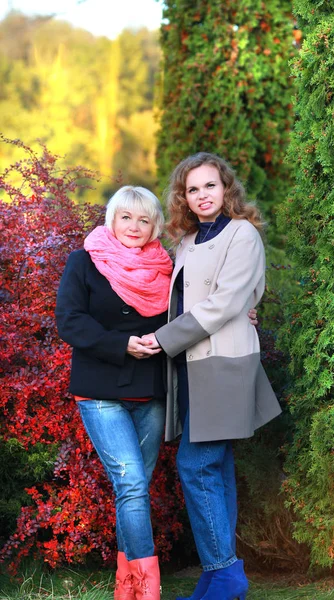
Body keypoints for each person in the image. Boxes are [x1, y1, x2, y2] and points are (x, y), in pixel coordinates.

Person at [142, 152, 282, 600]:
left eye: (210, 186)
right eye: (193, 189)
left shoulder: (242, 234)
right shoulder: (188, 239)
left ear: (227, 189)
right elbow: (185, 298)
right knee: (215, 467)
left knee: (196, 463)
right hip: (191, 367)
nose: (202, 195)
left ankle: (224, 573)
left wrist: (162, 339)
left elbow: (224, 302)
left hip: (223, 364)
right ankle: (219, 577)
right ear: (183, 197)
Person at [55, 186, 171, 600]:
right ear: (112, 220)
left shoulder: (166, 268)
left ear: (155, 225)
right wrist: (120, 344)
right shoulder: (83, 263)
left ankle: (128, 588)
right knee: (134, 485)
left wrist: (244, 309)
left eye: (144, 219)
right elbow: (68, 321)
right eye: (126, 217)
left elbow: (196, 308)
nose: (135, 226)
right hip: (101, 390)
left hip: (150, 391)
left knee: (134, 490)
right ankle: (146, 590)